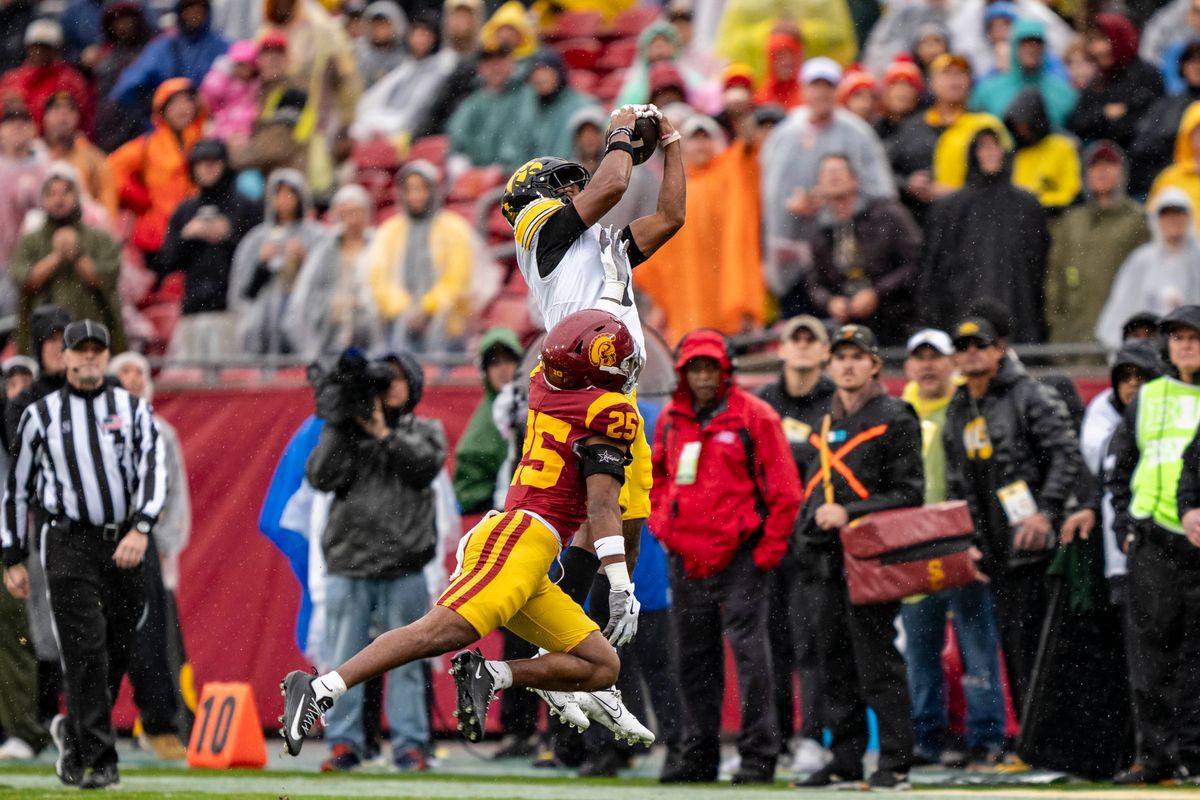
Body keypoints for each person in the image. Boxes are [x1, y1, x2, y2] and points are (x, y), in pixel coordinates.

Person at [279, 310, 648, 757]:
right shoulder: (609, 414)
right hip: (519, 539)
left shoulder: (542, 384)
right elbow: (603, 505)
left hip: (529, 548)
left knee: (600, 665)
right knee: (437, 632)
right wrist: (621, 584)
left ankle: (492, 675)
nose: (625, 372)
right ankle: (321, 688)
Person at [1, 319, 167, 790]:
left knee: (119, 644)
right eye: (81, 350)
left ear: (106, 354)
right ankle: (101, 758)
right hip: (68, 540)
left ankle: (75, 735)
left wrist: (141, 527)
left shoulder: (133, 410)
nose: (89, 357)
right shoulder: (41, 415)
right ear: (65, 357)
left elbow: (155, 470)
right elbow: (17, 489)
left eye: (98, 349)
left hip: (124, 540)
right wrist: (12, 554)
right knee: (85, 646)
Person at [650, 329, 802, 784]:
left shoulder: (755, 418)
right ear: (682, 372)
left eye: (709, 367)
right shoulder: (672, 420)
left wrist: (766, 553)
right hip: (687, 557)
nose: (701, 376)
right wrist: (663, 525)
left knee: (752, 659)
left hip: (742, 557)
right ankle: (698, 756)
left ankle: (759, 757)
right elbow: (654, 477)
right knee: (693, 660)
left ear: (725, 369)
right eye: (693, 368)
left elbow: (786, 493)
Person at [790, 324, 922, 791]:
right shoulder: (825, 419)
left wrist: (850, 512)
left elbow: (911, 495)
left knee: (878, 663)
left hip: (870, 562)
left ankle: (896, 763)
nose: (847, 364)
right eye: (840, 357)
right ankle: (845, 760)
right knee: (834, 664)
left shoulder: (896, 416)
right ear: (829, 365)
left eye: (856, 356)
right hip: (824, 563)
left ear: (873, 364)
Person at [305, 350, 446, 772]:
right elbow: (319, 476)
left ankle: (410, 746)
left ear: (415, 385)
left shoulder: (426, 429)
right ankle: (343, 743)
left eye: (400, 379)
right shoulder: (347, 431)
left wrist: (384, 434)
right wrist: (340, 423)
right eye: (384, 381)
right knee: (346, 662)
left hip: (404, 565)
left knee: (405, 665)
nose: (391, 387)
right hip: (350, 564)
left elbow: (425, 466)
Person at [942, 315, 1080, 714]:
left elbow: (1065, 455)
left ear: (999, 349)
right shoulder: (960, 406)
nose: (970, 353)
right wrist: (966, 542)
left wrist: (1046, 513)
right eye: (963, 347)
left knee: (1042, 646)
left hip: (1035, 546)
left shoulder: (1028, 394)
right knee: (1014, 645)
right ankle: (1028, 746)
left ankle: (1051, 745)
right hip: (994, 548)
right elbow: (958, 484)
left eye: (980, 345)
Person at [899, 329, 1006, 769]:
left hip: (963, 544)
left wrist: (979, 539)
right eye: (919, 357)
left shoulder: (969, 408)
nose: (927, 365)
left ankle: (986, 738)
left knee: (976, 644)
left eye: (936, 357)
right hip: (914, 549)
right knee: (919, 650)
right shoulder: (898, 411)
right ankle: (927, 739)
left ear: (951, 363)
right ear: (907, 366)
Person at [1107, 306, 1200, 783]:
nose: (1185, 345)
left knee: (1193, 656)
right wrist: (1123, 521)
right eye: (1178, 338)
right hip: (1151, 538)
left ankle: (1193, 753)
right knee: (1150, 655)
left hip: (1196, 541)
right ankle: (1157, 756)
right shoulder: (1149, 396)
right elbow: (1120, 464)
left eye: (1193, 337)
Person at [756, 315, 835, 775]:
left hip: (816, 546)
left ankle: (811, 738)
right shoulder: (763, 402)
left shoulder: (835, 404)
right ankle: (777, 739)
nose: (803, 347)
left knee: (813, 647)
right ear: (781, 349)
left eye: (812, 340)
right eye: (795, 339)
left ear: (824, 352)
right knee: (772, 648)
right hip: (769, 545)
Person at [759, 57, 896, 316]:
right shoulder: (783, 135)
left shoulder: (857, 133)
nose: (821, 93)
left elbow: (882, 192)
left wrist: (830, 202)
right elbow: (769, 194)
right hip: (791, 251)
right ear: (803, 89)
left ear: (837, 91)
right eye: (815, 85)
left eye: (828, 86)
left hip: (843, 256)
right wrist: (792, 207)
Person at [108, 351, 191, 761]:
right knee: (91, 639)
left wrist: (163, 544)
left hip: (144, 548)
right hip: (97, 546)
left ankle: (159, 725)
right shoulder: (94, 430)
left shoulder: (161, 432)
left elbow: (174, 496)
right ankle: (88, 725)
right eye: (124, 370)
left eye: (139, 371)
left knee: (150, 640)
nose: (133, 378)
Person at [634, 114, 766, 345]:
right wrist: (660, 304)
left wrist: (741, 112)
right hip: (688, 290)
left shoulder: (728, 174)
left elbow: (747, 150)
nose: (702, 145)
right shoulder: (674, 188)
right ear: (683, 147)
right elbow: (662, 256)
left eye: (707, 138)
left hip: (723, 284)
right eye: (695, 139)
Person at [918, 127, 1049, 343]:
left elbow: (1040, 266)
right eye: (982, 147)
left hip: (1019, 311)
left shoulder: (1028, 205)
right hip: (962, 310)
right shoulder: (950, 207)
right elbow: (934, 268)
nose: (989, 153)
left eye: (994, 146)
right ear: (973, 153)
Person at [158, 137, 262, 360]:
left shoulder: (245, 206)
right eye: (200, 162)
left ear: (224, 164)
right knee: (192, 387)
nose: (207, 168)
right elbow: (165, 263)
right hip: (194, 311)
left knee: (233, 386)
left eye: (213, 161)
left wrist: (230, 237)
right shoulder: (186, 210)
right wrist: (188, 235)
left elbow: (261, 259)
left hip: (234, 312)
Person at [801, 153, 922, 345]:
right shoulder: (818, 229)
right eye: (826, 172)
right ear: (819, 187)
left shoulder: (889, 215)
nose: (833, 176)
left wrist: (876, 293)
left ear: (855, 181)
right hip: (847, 324)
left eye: (839, 171)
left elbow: (916, 264)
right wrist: (830, 302)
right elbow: (813, 281)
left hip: (897, 319)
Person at [364, 161, 479, 354]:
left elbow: (458, 279)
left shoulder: (454, 230)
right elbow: (379, 279)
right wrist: (404, 309)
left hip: (447, 329)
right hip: (398, 325)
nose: (416, 196)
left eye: (422, 188)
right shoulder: (389, 231)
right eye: (410, 189)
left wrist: (427, 309)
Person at [9, 165, 125, 354]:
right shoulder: (30, 241)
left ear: (77, 196)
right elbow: (23, 281)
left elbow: (105, 279)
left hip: (91, 337)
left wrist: (76, 255)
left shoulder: (99, 238)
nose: (59, 200)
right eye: (52, 193)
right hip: (42, 342)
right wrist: (56, 257)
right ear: (43, 199)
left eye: (65, 192)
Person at [1045, 141, 1149, 350]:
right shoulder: (1071, 222)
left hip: (1123, 341)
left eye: (1109, 164)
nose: (1101, 171)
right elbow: (1055, 281)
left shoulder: (1139, 220)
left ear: (1122, 172)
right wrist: (1058, 330)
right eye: (1094, 166)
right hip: (1074, 339)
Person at [107, 78, 205, 273]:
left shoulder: (203, 142)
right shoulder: (147, 146)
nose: (182, 108)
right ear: (162, 110)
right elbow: (109, 170)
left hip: (195, 233)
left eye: (187, 101)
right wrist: (136, 195)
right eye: (174, 103)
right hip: (157, 237)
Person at [227, 168, 324, 355]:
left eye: (290, 193)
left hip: (305, 315)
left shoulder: (317, 236)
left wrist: (306, 260)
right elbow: (243, 292)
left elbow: (326, 283)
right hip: (265, 320)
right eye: (278, 193)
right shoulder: (256, 239)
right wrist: (262, 264)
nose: (284, 200)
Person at [1094, 188, 1200, 352]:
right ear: (1156, 219)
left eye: (1179, 213)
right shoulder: (1141, 261)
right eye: (1167, 214)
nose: (1174, 220)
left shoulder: (1197, 257)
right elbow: (1120, 312)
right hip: (1149, 354)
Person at [285, 184, 379, 360]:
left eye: (356, 212)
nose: (352, 220)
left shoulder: (379, 245)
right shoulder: (324, 250)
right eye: (345, 213)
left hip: (371, 327)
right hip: (331, 329)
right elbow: (306, 294)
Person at [111, 0, 229, 124]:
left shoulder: (222, 47)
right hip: (166, 125)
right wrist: (162, 102)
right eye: (189, 10)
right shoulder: (163, 46)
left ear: (207, 13)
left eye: (199, 10)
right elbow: (130, 85)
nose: (194, 14)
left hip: (210, 123)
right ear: (180, 13)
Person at [351, 12, 455, 142]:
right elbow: (375, 99)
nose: (419, 39)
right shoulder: (406, 66)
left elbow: (418, 114)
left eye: (424, 34)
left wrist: (389, 131)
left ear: (435, 38)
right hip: (383, 125)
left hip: (409, 136)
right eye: (415, 33)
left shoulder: (442, 70)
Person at [1066, 14, 1162, 154]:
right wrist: (1103, 115)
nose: (1097, 48)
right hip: (1101, 163)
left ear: (1120, 38)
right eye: (1093, 41)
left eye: (1104, 39)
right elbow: (1076, 122)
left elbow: (1149, 126)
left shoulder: (1147, 76)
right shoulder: (1099, 79)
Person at [453, 327, 523, 515]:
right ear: (485, 370)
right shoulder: (482, 424)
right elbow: (467, 493)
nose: (503, 369)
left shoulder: (539, 405)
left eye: (509, 360)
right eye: (494, 362)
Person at [970, 19, 1077, 129]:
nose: (1031, 49)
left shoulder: (1064, 93)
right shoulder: (987, 91)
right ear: (1014, 46)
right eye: (1024, 44)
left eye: (1037, 44)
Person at [501, 49, 595, 166]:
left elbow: (591, 152)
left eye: (546, 70)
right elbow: (513, 150)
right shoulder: (525, 107)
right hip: (532, 178)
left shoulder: (583, 105)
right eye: (535, 72)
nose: (540, 76)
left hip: (570, 176)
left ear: (559, 73)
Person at [0, 19, 93, 135]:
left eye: (45, 47)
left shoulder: (71, 80)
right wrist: (10, 110)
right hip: (17, 145)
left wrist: (26, 110)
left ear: (55, 50)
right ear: (27, 48)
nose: (39, 52)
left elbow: (79, 120)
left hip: (58, 145)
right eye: (35, 47)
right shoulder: (11, 79)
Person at [1131, 40, 1200, 196]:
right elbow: (1140, 146)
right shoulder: (1165, 104)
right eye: (1191, 60)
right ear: (1182, 67)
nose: (1197, 66)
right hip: (1170, 182)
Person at [0, 100, 48, 319]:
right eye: (10, 122)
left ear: (34, 130)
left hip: (36, 267)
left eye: (24, 121)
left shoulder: (48, 171)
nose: (17, 127)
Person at [446, 41, 528, 168]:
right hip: (477, 174)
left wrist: (504, 167)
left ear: (512, 64)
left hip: (517, 173)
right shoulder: (472, 102)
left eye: (500, 60)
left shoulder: (527, 97)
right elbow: (458, 139)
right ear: (480, 68)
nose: (495, 67)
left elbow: (524, 140)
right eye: (489, 61)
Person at [1002, 87, 1081, 209]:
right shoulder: (1013, 152)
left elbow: (1071, 192)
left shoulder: (1064, 147)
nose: (1021, 129)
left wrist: (1039, 202)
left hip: (1056, 217)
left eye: (1024, 123)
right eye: (1017, 124)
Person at [41, 90, 116, 219]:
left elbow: (108, 210)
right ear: (45, 117)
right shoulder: (33, 156)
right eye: (56, 109)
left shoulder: (94, 159)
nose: (63, 115)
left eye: (70, 110)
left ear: (77, 117)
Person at [354, 1, 407, 85]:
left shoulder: (405, 55)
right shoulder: (358, 52)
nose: (380, 30)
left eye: (384, 25)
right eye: (376, 25)